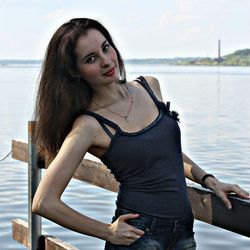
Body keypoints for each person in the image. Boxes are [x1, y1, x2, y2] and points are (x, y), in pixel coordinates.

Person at [32, 18, 249, 250]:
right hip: (138, 236)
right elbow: (44, 202)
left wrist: (210, 181)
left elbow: (167, 153)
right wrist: (106, 231)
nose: (106, 61)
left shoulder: (150, 86)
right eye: (91, 58)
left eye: (106, 48)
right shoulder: (90, 125)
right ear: (75, 72)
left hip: (184, 233)